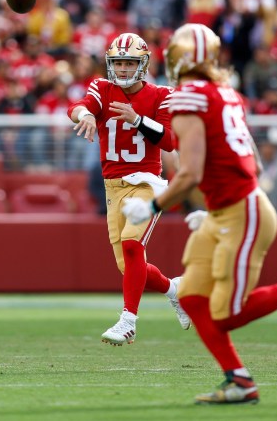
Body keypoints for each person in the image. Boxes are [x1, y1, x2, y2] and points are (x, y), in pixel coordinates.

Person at [121, 24, 277, 404]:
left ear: (176, 60)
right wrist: (212, 211)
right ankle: (240, 381)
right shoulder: (226, 95)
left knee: (225, 312)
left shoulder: (190, 99)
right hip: (229, 209)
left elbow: (190, 171)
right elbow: (252, 165)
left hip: (243, 212)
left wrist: (153, 206)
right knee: (191, 297)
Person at [68, 32, 190, 345]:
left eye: (129, 63)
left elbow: (170, 140)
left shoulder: (161, 94)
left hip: (147, 183)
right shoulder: (102, 87)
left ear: (143, 64)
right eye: (118, 62)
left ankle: (128, 321)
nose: (122, 69)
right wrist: (86, 118)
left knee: (132, 245)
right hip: (113, 188)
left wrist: (138, 120)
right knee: (130, 266)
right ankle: (176, 290)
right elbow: (78, 107)